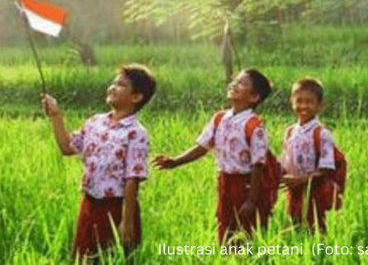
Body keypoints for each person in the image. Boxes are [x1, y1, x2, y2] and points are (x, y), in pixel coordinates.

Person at [41, 64, 156, 263]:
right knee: (84, 257)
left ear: (136, 97)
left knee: (111, 257)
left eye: (121, 85)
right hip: (89, 203)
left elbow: (132, 179)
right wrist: (56, 116)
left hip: (115, 207)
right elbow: (67, 147)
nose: (112, 87)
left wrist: (126, 222)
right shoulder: (96, 122)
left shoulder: (136, 133)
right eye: (113, 82)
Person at [153, 68, 275, 243]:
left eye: (242, 83)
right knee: (225, 223)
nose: (234, 84)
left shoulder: (254, 125)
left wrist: (251, 200)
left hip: (246, 184)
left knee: (246, 227)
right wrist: (175, 161)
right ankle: (227, 257)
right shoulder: (219, 118)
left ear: (254, 97)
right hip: (225, 181)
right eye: (235, 80)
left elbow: (258, 164)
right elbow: (202, 147)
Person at [280, 78, 345, 233]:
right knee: (294, 223)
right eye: (299, 101)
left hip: (313, 191)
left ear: (320, 106)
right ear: (291, 102)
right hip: (294, 191)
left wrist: (301, 180)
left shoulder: (322, 134)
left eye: (309, 102)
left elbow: (326, 169)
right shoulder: (290, 132)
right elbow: (285, 162)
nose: (303, 106)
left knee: (315, 227)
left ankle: (319, 254)